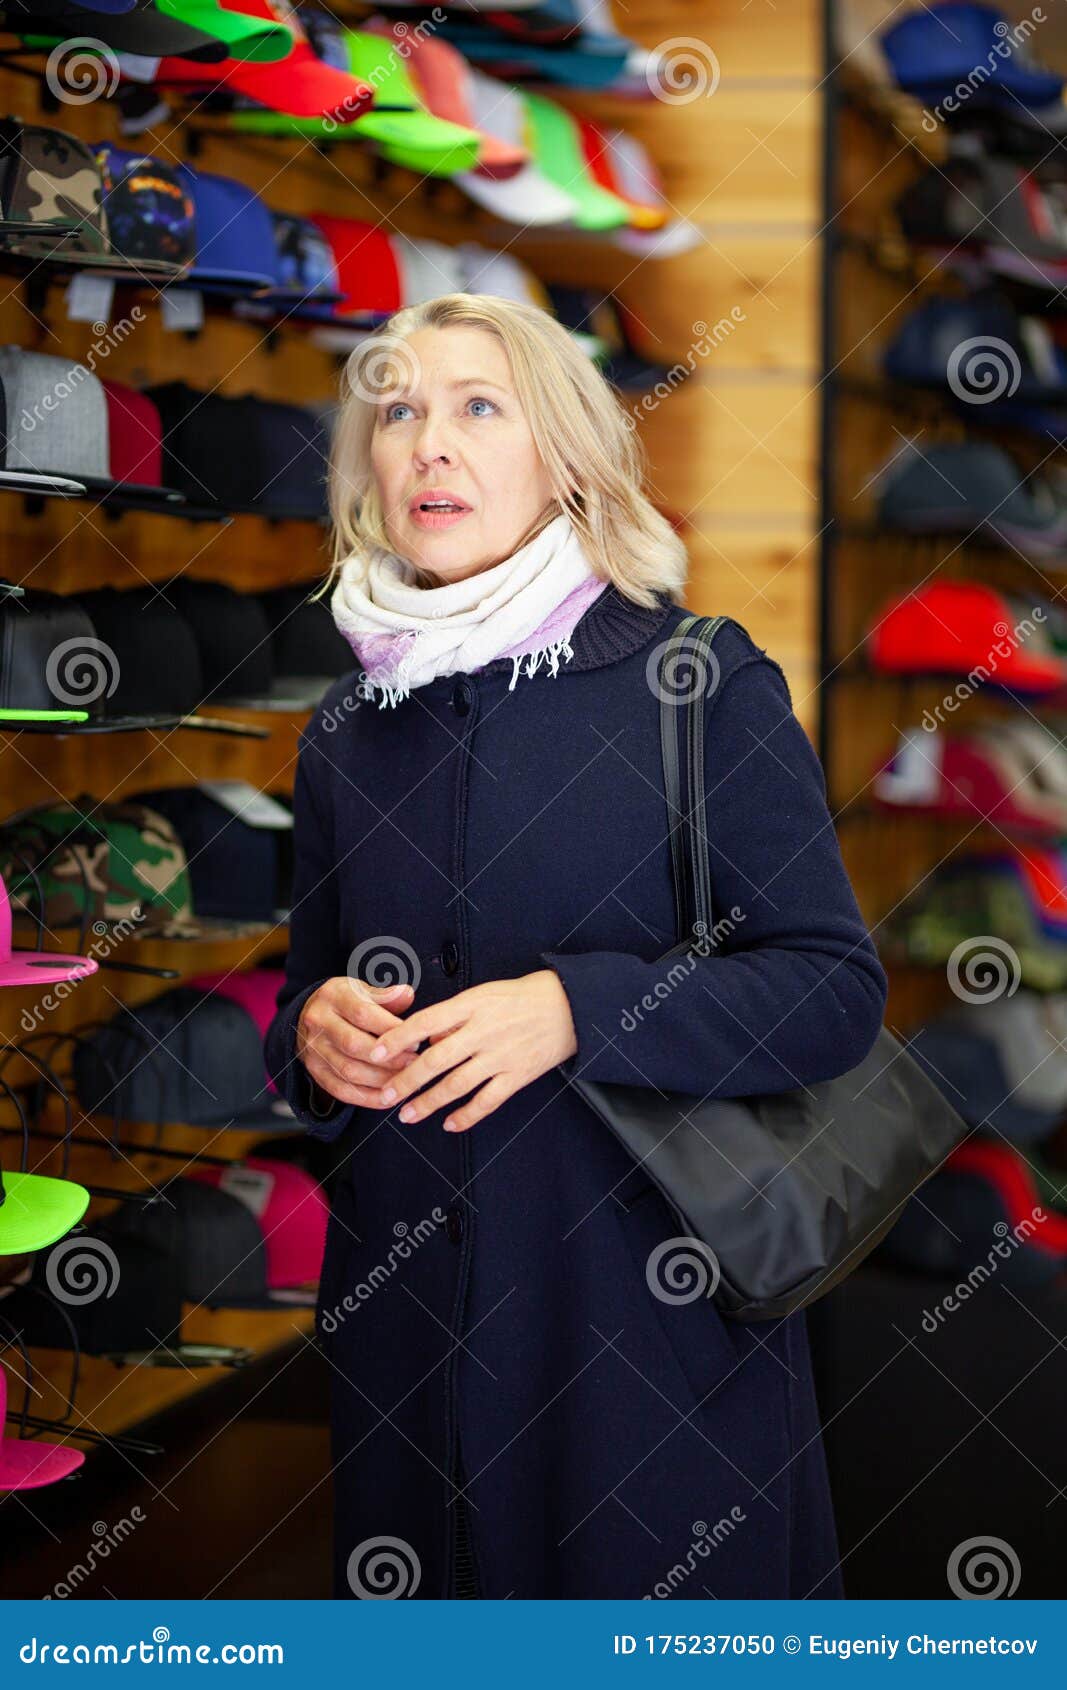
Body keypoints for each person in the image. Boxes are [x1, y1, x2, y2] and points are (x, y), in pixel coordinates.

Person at [264, 293, 888, 1601]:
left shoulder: (698, 682)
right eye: (397, 411)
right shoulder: (346, 729)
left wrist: (576, 1006)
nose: (430, 442)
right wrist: (311, 1037)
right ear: (367, 469)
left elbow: (830, 990)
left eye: (478, 407)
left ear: (565, 453)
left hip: (643, 1362)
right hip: (410, 1366)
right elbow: (301, 999)